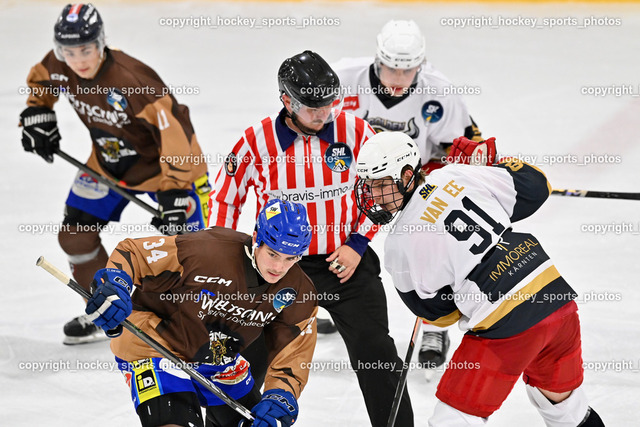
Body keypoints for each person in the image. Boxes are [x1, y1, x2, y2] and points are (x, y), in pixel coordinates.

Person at [208, 51, 414, 426]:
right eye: (313, 107)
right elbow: (225, 199)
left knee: (377, 354)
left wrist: (358, 243)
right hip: (277, 269)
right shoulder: (256, 141)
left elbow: (382, 192)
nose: (323, 114)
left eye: (329, 104)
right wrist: (225, 263)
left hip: (345, 263)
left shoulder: (356, 131)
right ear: (287, 101)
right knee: (242, 359)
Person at [354, 131, 605, 426]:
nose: (374, 195)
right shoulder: (455, 174)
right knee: (565, 408)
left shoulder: (399, 244)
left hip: (507, 325)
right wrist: (491, 164)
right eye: (368, 184)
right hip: (557, 302)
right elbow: (538, 187)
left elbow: (438, 314)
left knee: (453, 420)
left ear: (407, 175)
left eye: (381, 183)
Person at [19, 3, 210, 344]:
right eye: (68, 51)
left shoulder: (132, 79)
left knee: (190, 253)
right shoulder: (58, 65)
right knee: (75, 236)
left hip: (166, 173)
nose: (78, 60)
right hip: (107, 166)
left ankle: (193, 323)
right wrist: (37, 112)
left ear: (101, 42)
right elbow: (42, 79)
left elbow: (176, 130)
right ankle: (106, 310)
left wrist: (176, 189)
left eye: (86, 49)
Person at [84, 198, 317, 427]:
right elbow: (133, 253)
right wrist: (116, 285)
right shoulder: (207, 250)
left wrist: (281, 397)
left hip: (217, 359)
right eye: (273, 254)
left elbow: (293, 355)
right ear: (257, 239)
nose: (279, 267)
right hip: (156, 345)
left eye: (291, 258)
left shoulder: (298, 291)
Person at [333, 19, 485, 369]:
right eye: (391, 69)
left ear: (421, 63)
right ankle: (334, 301)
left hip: (411, 184)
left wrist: (459, 170)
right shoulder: (344, 78)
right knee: (334, 234)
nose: (399, 78)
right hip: (357, 179)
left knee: (431, 250)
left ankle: (435, 324)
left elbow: (461, 145)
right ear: (377, 60)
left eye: (408, 70)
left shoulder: (439, 92)